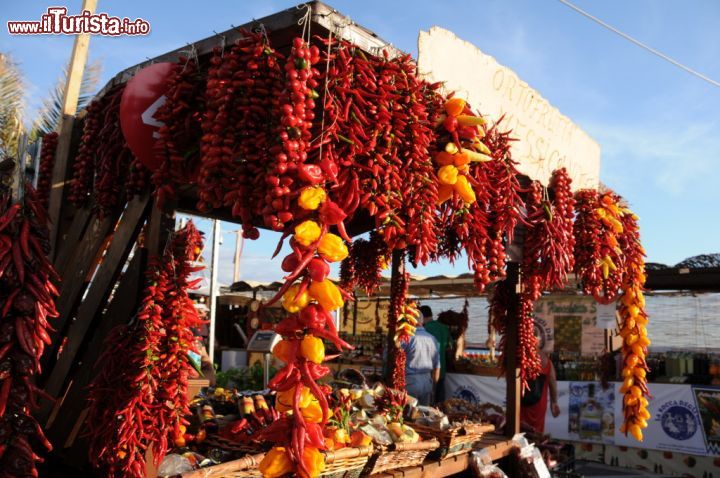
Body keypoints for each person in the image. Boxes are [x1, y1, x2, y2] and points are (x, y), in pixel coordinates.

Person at [520, 326, 560, 434]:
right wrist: (554, 402)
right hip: (538, 405)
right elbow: (553, 383)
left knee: (519, 431)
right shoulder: (546, 360)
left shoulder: (521, 356)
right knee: (536, 434)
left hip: (521, 403)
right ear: (538, 340)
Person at [401, 319, 441, 406]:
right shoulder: (432, 338)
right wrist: (433, 388)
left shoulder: (407, 338)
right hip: (427, 382)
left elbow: (392, 358)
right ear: (422, 322)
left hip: (411, 382)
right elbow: (437, 367)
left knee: (408, 414)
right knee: (424, 415)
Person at [420, 305, 451, 404]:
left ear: (422, 317)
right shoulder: (444, 327)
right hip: (442, 369)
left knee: (430, 402)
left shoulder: (426, 329)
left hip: (430, 371)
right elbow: (450, 346)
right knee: (440, 401)